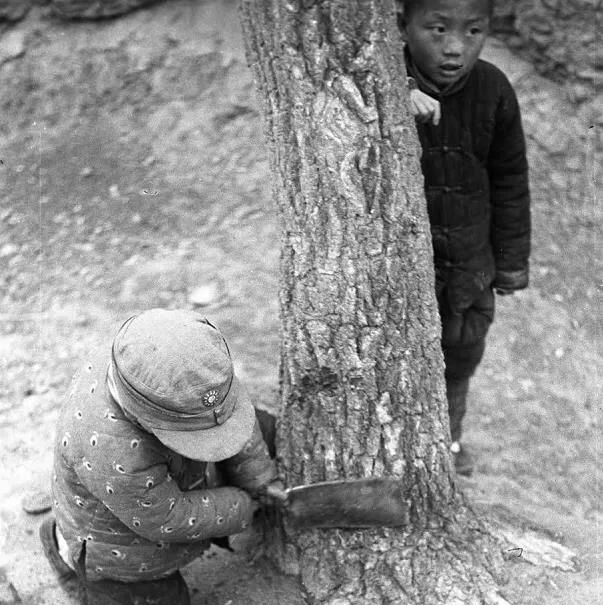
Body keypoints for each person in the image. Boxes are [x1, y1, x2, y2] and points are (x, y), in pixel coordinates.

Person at [39, 308, 284, 604]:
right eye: (197, 437)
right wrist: (246, 506)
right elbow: (169, 517)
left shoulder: (195, 371)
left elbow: (234, 419)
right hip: (120, 545)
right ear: (141, 417)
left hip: (164, 481)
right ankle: (73, 560)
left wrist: (261, 479)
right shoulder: (113, 453)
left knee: (261, 426)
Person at [398, 0, 531, 475]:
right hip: (409, 271)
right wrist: (398, 95)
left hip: (470, 265)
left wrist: (511, 263)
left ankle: (448, 441)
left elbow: (510, 179)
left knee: (460, 355)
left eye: (473, 31)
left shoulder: (493, 88)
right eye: (437, 29)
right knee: (403, 359)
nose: (455, 48)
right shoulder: (386, 82)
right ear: (403, 25)